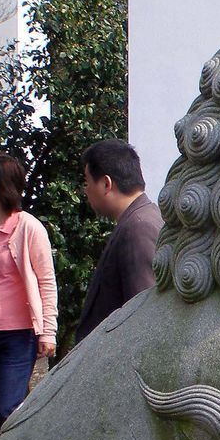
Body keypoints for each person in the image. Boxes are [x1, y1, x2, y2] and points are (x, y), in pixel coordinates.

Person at [0, 153, 56, 436]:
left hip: (17, 336)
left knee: (4, 409)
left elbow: (46, 281)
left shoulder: (28, 227)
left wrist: (48, 332)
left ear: (4, 185)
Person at [74, 140, 162, 343]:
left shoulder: (138, 228)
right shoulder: (140, 218)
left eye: (87, 182)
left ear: (106, 183)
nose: (85, 190)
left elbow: (142, 313)